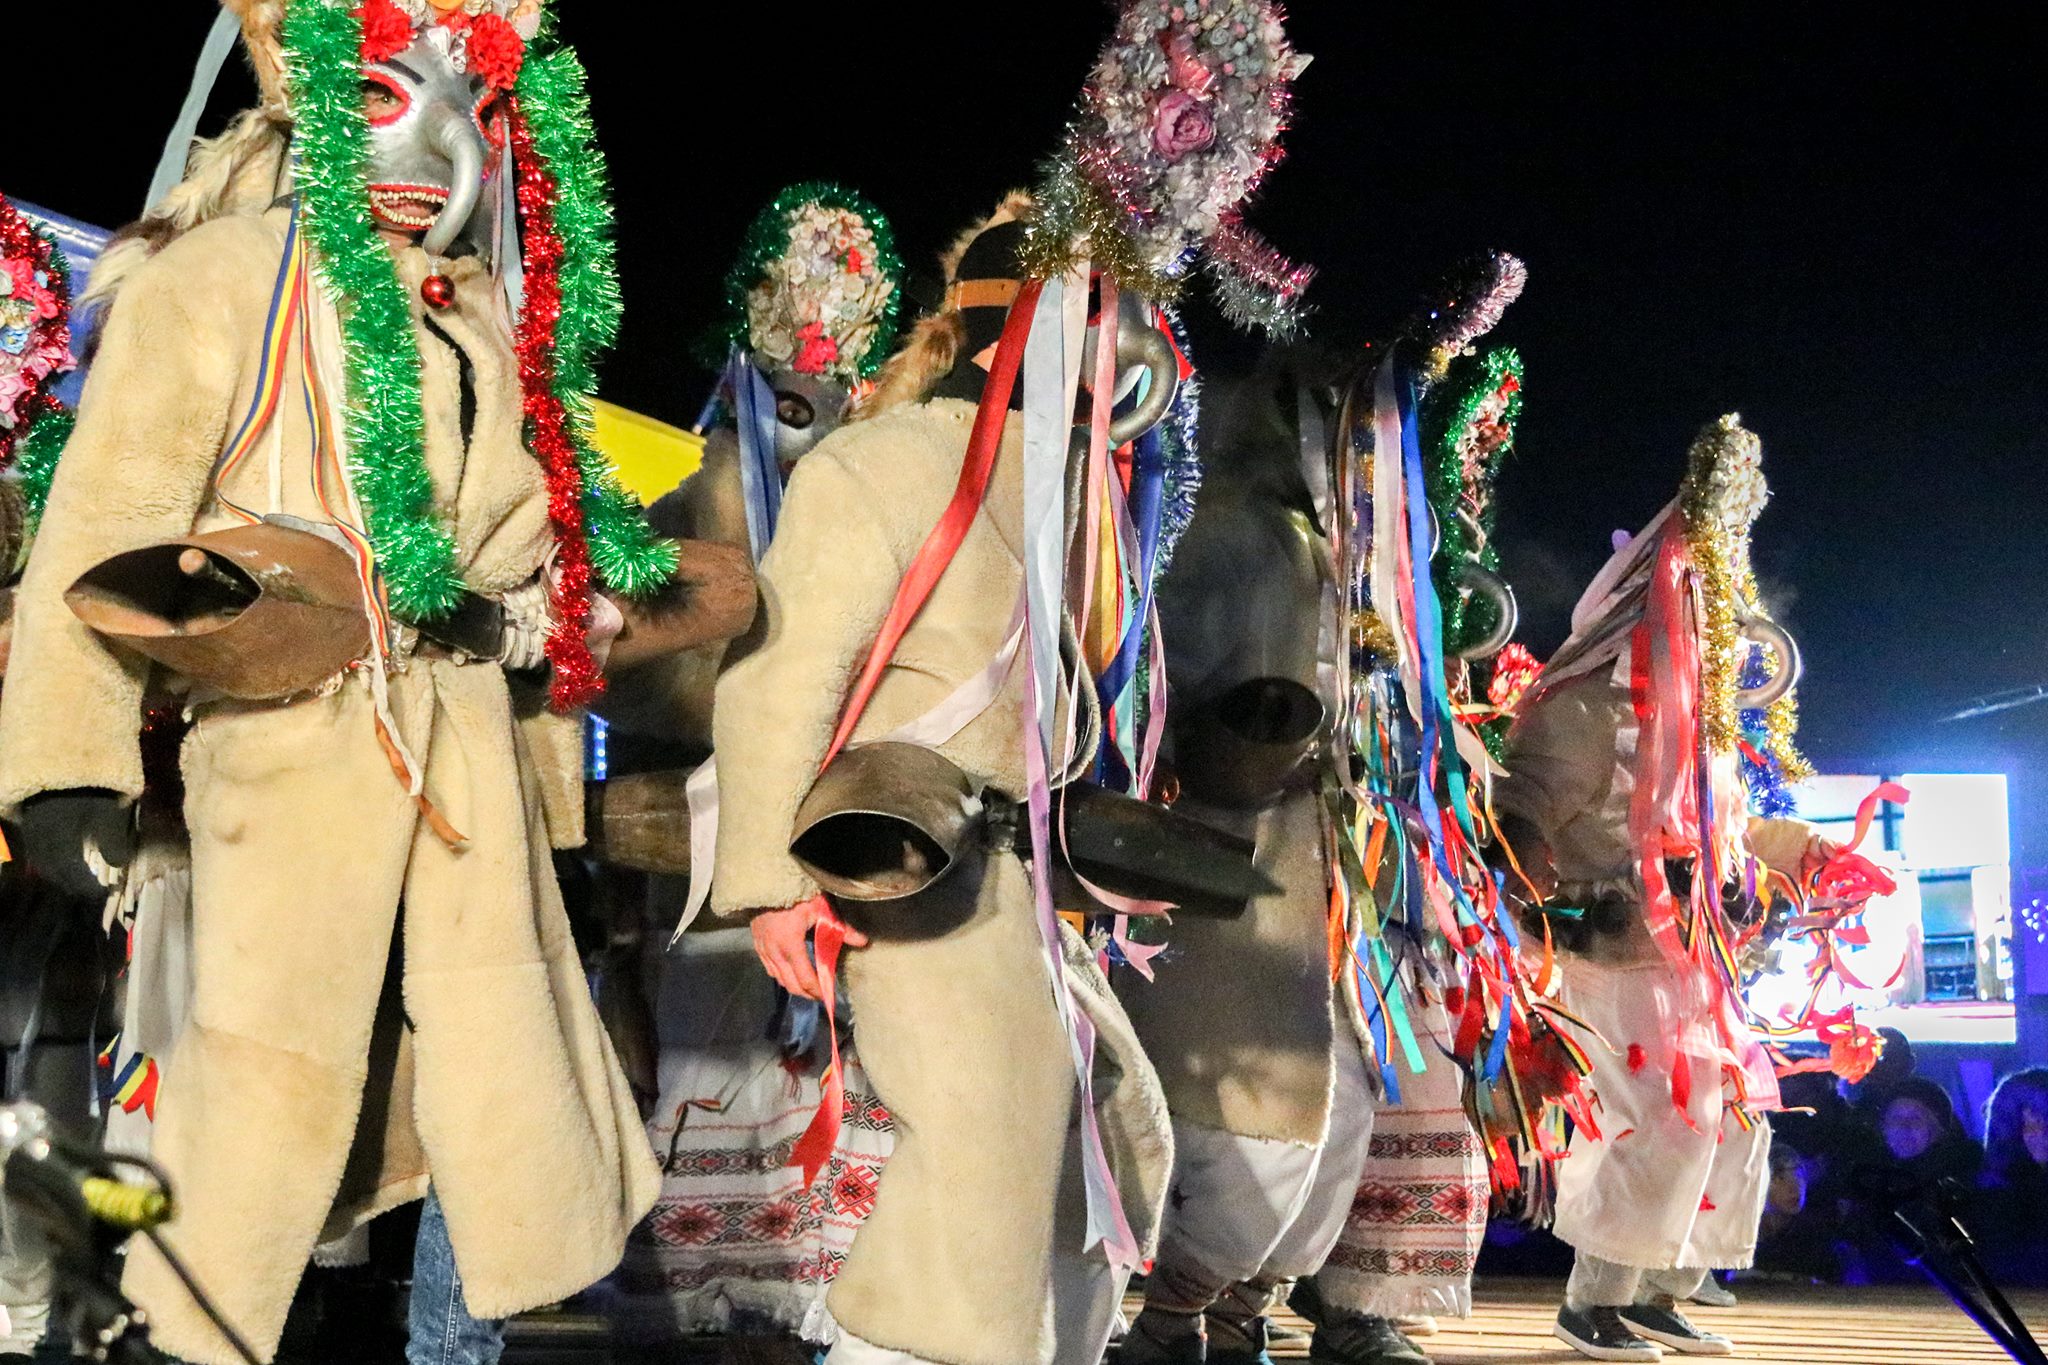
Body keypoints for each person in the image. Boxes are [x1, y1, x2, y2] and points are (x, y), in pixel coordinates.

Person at [0, 3, 714, 1359]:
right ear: (312, 90)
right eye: (389, 91)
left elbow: (520, 551)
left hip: (471, 774)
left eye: (480, 112)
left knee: (493, 1116)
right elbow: (105, 526)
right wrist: (65, 769)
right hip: (292, 754)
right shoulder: (221, 281)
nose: (442, 154)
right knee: (260, 1112)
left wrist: (550, 641)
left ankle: (454, 1346)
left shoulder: (486, 317)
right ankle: (180, 1336)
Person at [1497, 416, 1837, 1362]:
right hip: (1607, 957)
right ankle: (1594, 1300)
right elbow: (1517, 814)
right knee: (1654, 1123)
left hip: (1692, 963)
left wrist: (1801, 856)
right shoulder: (1581, 707)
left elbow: (1727, 833)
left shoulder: (1703, 729)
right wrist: (1541, 891)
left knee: (1730, 1119)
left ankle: (1659, 1288)